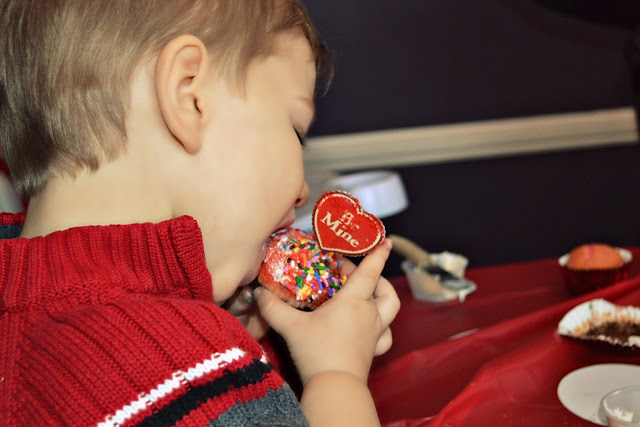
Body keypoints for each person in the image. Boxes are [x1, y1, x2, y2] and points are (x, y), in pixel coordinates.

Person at [0, 1, 401, 425]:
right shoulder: (176, 368)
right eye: (296, 131)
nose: (303, 193)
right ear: (188, 96)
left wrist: (242, 334)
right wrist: (337, 374)